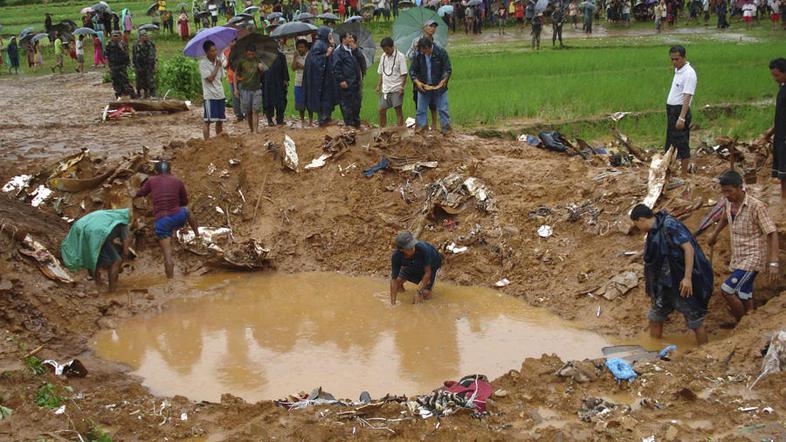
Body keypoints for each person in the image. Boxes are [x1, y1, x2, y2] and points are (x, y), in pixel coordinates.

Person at [630, 204, 713, 346]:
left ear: (641, 219)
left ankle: (704, 352)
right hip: (663, 284)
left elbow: (689, 249)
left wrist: (687, 278)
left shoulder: (670, 226)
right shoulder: (653, 232)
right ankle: (653, 349)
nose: (637, 228)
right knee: (655, 317)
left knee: (695, 321)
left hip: (680, 281)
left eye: (636, 224)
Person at [707, 171, 779, 325]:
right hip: (739, 255)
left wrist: (773, 262)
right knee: (743, 291)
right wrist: (714, 234)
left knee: (727, 290)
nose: (726, 194)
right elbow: (725, 217)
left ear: (740, 188)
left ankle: (742, 324)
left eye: (729, 191)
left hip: (753, 256)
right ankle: (750, 316)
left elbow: (772, 232)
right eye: (724, 191)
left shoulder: (756, 206)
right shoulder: (728, 202)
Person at [133, 161, 200, 279]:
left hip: (162, 221)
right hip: (177, 216)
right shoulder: (177, 181)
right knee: (188, 211)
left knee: (167, 256)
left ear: (156, 171)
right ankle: (197, 235)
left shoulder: (151, 180)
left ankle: (170, 283)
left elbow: (139, 193)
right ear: (170, 171)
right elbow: (185, 201)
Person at [60, 209, 132, 292]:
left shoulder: (109, 216)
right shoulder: (123, 225)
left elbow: (107, 235)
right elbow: (126, 251)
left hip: (81, 228)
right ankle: (112, 290)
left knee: (93, 256)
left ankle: (98, 283)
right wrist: (120, 264)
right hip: (96, 234)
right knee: (116, 261)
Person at [665, 45, 696, 176]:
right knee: (671, 142)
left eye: (676, 59)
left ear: (683, 57)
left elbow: (687, 96)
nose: (674, 62)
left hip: (680, 111)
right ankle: (669, 172)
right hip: (672, 111)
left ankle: (684, 174)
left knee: (682, 142)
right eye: (672, 59)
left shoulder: (689, 73)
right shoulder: (679, 71)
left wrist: (682, 117)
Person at [410, 37, 452, 134]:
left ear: (429, 47)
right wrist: (417, 82)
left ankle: (446, 131)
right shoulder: (418, 55)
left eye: (425, 51)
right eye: (421, 51)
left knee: (443, 109)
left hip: (439, 87)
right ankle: (423, 131)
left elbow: (447, 69)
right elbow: (413, 71)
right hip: (424, 87)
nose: (423, 53)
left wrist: (444, 80)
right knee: (421, 110)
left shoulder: (441, 52)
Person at [389, 231, 443, 305]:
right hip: (411, 262)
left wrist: (419, 292)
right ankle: (404, 295)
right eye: (409, 248)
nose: (412, 249)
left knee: (425, 293)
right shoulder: (396, 256)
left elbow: (427, 272)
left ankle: (426, 297)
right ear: (401, 249)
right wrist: (393, 304)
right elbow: (393, 280)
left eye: (413, 245)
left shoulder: (424, 249)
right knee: (397, 283)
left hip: (432, 263)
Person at [303, 26, 338, 126]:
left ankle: (326, 118)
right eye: (329, 35)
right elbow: (314, 61)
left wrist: (332, 45)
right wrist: (326, 55)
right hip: (321, 80)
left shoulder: (324, 43)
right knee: (324, 98)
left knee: (327, 98)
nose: (331, 36)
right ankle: (323, 119)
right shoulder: (319, 44)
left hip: (326, 77)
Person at [764, 58, 786, 198]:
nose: (774, 79)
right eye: (773, 75)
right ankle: (783, 198)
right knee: (782, 172)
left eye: (777, 75)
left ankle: (784, 201)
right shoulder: (782, 88)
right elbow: (781, 115)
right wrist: (770, 132)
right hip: (780, 134)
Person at [332, 32, 362, 128]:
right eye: (349, 37)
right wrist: (341, 80)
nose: (351, 39)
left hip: (356, 83)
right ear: (343, 39)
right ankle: (349, 124)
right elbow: (336, 67)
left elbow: (361, 60)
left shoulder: (353, 50)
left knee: (357, 104)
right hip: (346, 83)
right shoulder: (338, 52)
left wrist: (356, 50)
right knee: (346, 105)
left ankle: (356, 122)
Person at [376, 36, 407, 128]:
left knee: (398, 110)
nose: (386, 51)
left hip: (396, 89)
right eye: (384, 50)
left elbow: (404, 74)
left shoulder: (400, 57)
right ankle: (382, 130)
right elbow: (381, 72)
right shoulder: (383, 56)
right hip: (386, 89)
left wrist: (402, 87)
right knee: (381, 110)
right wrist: (378, 85)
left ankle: (399, 131)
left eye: (387, 49)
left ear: (392, 46)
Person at [234, 44, 265, 133]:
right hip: (245, 89)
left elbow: (262, 74)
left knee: (256, 110)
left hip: (256, 89)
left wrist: (261, 69)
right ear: (246, 53)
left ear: (255, 53)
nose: (251, 56)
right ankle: (251, 129)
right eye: (249, 54)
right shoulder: (241, 61)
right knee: (249, 112)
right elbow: (236, 74)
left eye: (252, 54)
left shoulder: (258, 60)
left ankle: (255, 130)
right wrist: (235, 88)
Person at [200, 40, 226, 139]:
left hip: (220, 94)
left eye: (215, 50)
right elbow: (210, 79)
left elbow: (222, 77)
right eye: (212, 51)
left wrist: (219, 65)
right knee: (208, 120)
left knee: (220, 120)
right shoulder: (203, 63)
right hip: (210, 96)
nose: (215, 52)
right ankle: (207, 142)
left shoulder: (218, 60)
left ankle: (219, 141)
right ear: (207, 52)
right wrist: (217, 67)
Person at [263, 43, 289, 126]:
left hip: (279, 82)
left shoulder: (281, 56)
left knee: (280, 101)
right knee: (268, 101)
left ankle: (280, 119)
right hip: (267, 82)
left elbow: (285, 68)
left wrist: (285, 80)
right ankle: (269, 119)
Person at [106, 31, 136, 98]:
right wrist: (108, 65)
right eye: (114, 36)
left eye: (117, 36)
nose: (115, 38)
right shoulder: (109, 44)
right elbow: (107, 55)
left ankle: (131, 93)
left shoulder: (122, 44)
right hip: (113, 66)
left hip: (121, 65)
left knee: (124, 80)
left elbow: (126, 55)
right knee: (115, 81)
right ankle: (119, 94)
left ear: (120, 36)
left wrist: (127, 64)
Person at [292, 39, 312, 126]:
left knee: (309, 102)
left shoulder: (310, 56)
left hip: (308, 82)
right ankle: (302, 120)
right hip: (298, 82)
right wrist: (294, 58)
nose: (300, 49)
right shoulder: (296, 56)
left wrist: (302, 66)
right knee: (300, 103)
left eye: (302, 47)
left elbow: (312, 68)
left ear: (306, 48)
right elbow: (293, 68)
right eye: (299, 47)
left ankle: (311, 120)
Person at [132, 30, 157, 98]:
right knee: (139, 79)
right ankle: (139, 92)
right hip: (139, 65)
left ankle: (151, 94)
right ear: (140, 37)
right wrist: (134, 64)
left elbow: (152, 55)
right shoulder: (135, 45)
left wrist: (153, 64)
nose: (145, 37)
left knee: (150, 79)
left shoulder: (150, 44)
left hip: (148, 64)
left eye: (146, 35)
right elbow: (134, 55)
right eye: (143, 35)